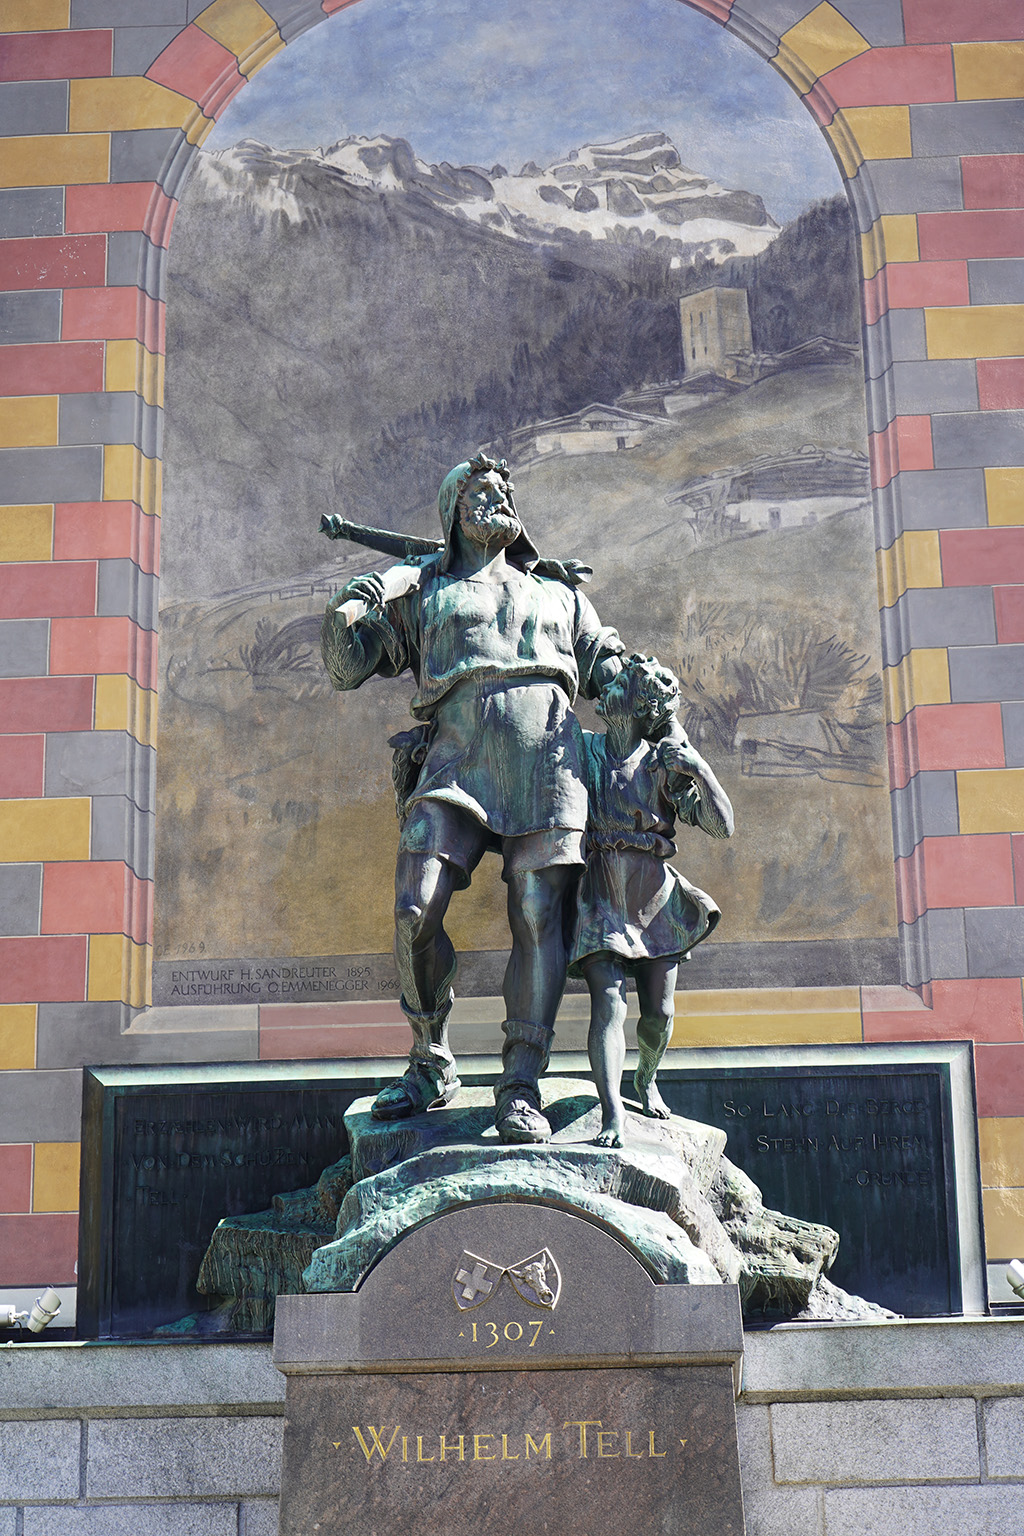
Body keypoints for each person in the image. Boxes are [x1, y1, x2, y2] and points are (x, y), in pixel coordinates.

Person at [320, 453, 624, 1143]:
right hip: (455, 759)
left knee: (539, 913)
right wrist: (358, 598)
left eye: (504, 490)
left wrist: (654, 711)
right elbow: (347, 668)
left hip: (550, 762)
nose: (498, 498)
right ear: (454, 513)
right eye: (481, 491)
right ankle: (431, 1059)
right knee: (412, 912)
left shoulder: (561, 593)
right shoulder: (427, 590)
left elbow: (610, 670)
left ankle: (521, 1084)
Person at [568, 654, 734, 1147]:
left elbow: (723, 826)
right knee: (608, 1006)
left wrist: (700, 769)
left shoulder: (664, 763)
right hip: (600, 895)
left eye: (618, 683)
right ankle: (612, 1113)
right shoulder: (584, 749)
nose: (606, 687)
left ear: (640, 705)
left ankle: (646, 1078)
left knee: (658, 1014)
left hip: (655, 898)